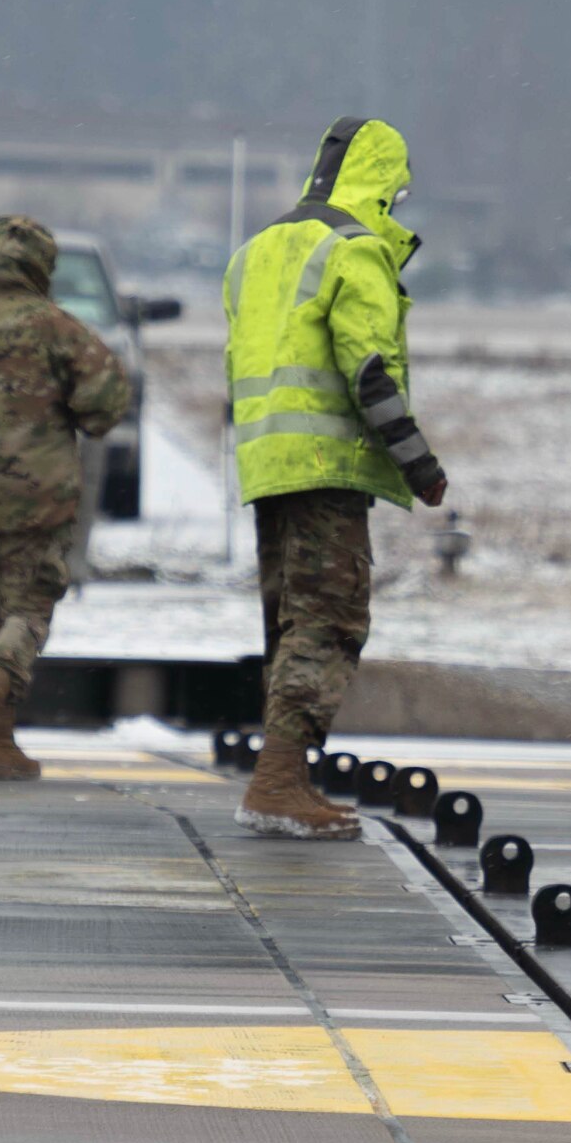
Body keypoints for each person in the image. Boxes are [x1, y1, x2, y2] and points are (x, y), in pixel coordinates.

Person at [224, 116, 448, 840]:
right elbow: (368, 366)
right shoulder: (353, 250)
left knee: (288, 621)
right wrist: (416, 459)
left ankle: (284, 776)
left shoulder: (256, 250)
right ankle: (279, 781)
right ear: (381, 185)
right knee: (327, 620)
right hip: (328, 463)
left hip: (267, 462)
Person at [0, 214, 132, 782]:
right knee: (29, 611)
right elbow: (106, 407)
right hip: (41, 501)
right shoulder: (62, 329)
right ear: (43, 264)